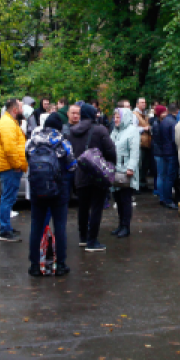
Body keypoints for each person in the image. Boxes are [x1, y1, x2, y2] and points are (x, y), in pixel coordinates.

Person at [25, 113, 75, 275]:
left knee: (36, 226)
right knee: (60, 226)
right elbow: (72, 166)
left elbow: (28, 159)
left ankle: (34, 265)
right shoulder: (62, 143)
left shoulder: (32, 141)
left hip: (37, 189)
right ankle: (60, 265)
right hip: (58, 191)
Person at [67, 103, 117, 251]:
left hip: (80, 174)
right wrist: (109, 164)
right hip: (97, 175)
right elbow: (111, 150)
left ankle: (83, 237)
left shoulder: (72, 131)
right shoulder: (100, 130)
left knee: (82, 207)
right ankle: (92, 241)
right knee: (96, 207)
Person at [0, 99, 27, 242]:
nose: (23, 111)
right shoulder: (7, 124)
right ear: (15, 109)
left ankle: (5, 227)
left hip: (10, 167)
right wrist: (18, 165)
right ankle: (4, 230)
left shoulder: (9, 122)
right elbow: (10, 149)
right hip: (10, 167)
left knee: (8, 198)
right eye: (21, 108)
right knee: (8, 198)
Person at [111, 107, 141, 235]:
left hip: (126, 171)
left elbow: (134, 151)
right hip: (115, 170)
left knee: (125, 199)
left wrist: (131, 167)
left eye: (118, 117)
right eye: (115, 117)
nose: (116, 119)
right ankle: (120, 224)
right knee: (117, 199)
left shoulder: (132, 131)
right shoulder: (115, 131)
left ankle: (126, 227)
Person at [153, 104, 178, 209]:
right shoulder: (169, 122)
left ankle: (163, 197)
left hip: (162, 152)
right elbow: (173, 139)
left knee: (163, 176)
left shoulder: (161, 122)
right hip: (165, 152)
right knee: (166, 176)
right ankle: (165, 198)